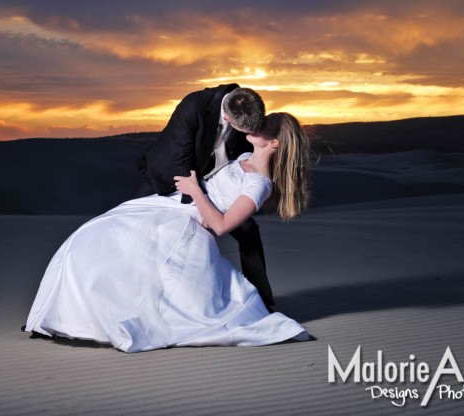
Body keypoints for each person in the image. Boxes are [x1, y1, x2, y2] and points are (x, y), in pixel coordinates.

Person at [24, 113, 311, 353]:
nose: (257, 124)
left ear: (274, 142)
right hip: (170, 206)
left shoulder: (259, 185)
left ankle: (100, 320)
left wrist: (195, 190)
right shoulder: (246, 155)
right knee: (94, 234)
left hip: (188, 222)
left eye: (265, 126)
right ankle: (67, 316)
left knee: (123, 250)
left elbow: (222, 225)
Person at [133, 84, 276, 310]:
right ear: (227, 118)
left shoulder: (245, 108)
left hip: (212, 186)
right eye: (244, 131)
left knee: (248, 232)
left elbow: (243, 160)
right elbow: (178, 162)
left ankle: (263, 301)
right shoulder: (194, 106)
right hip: (169, 177)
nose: (250, 135)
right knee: (136, 229)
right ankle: (144, 297)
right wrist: (201, 207)